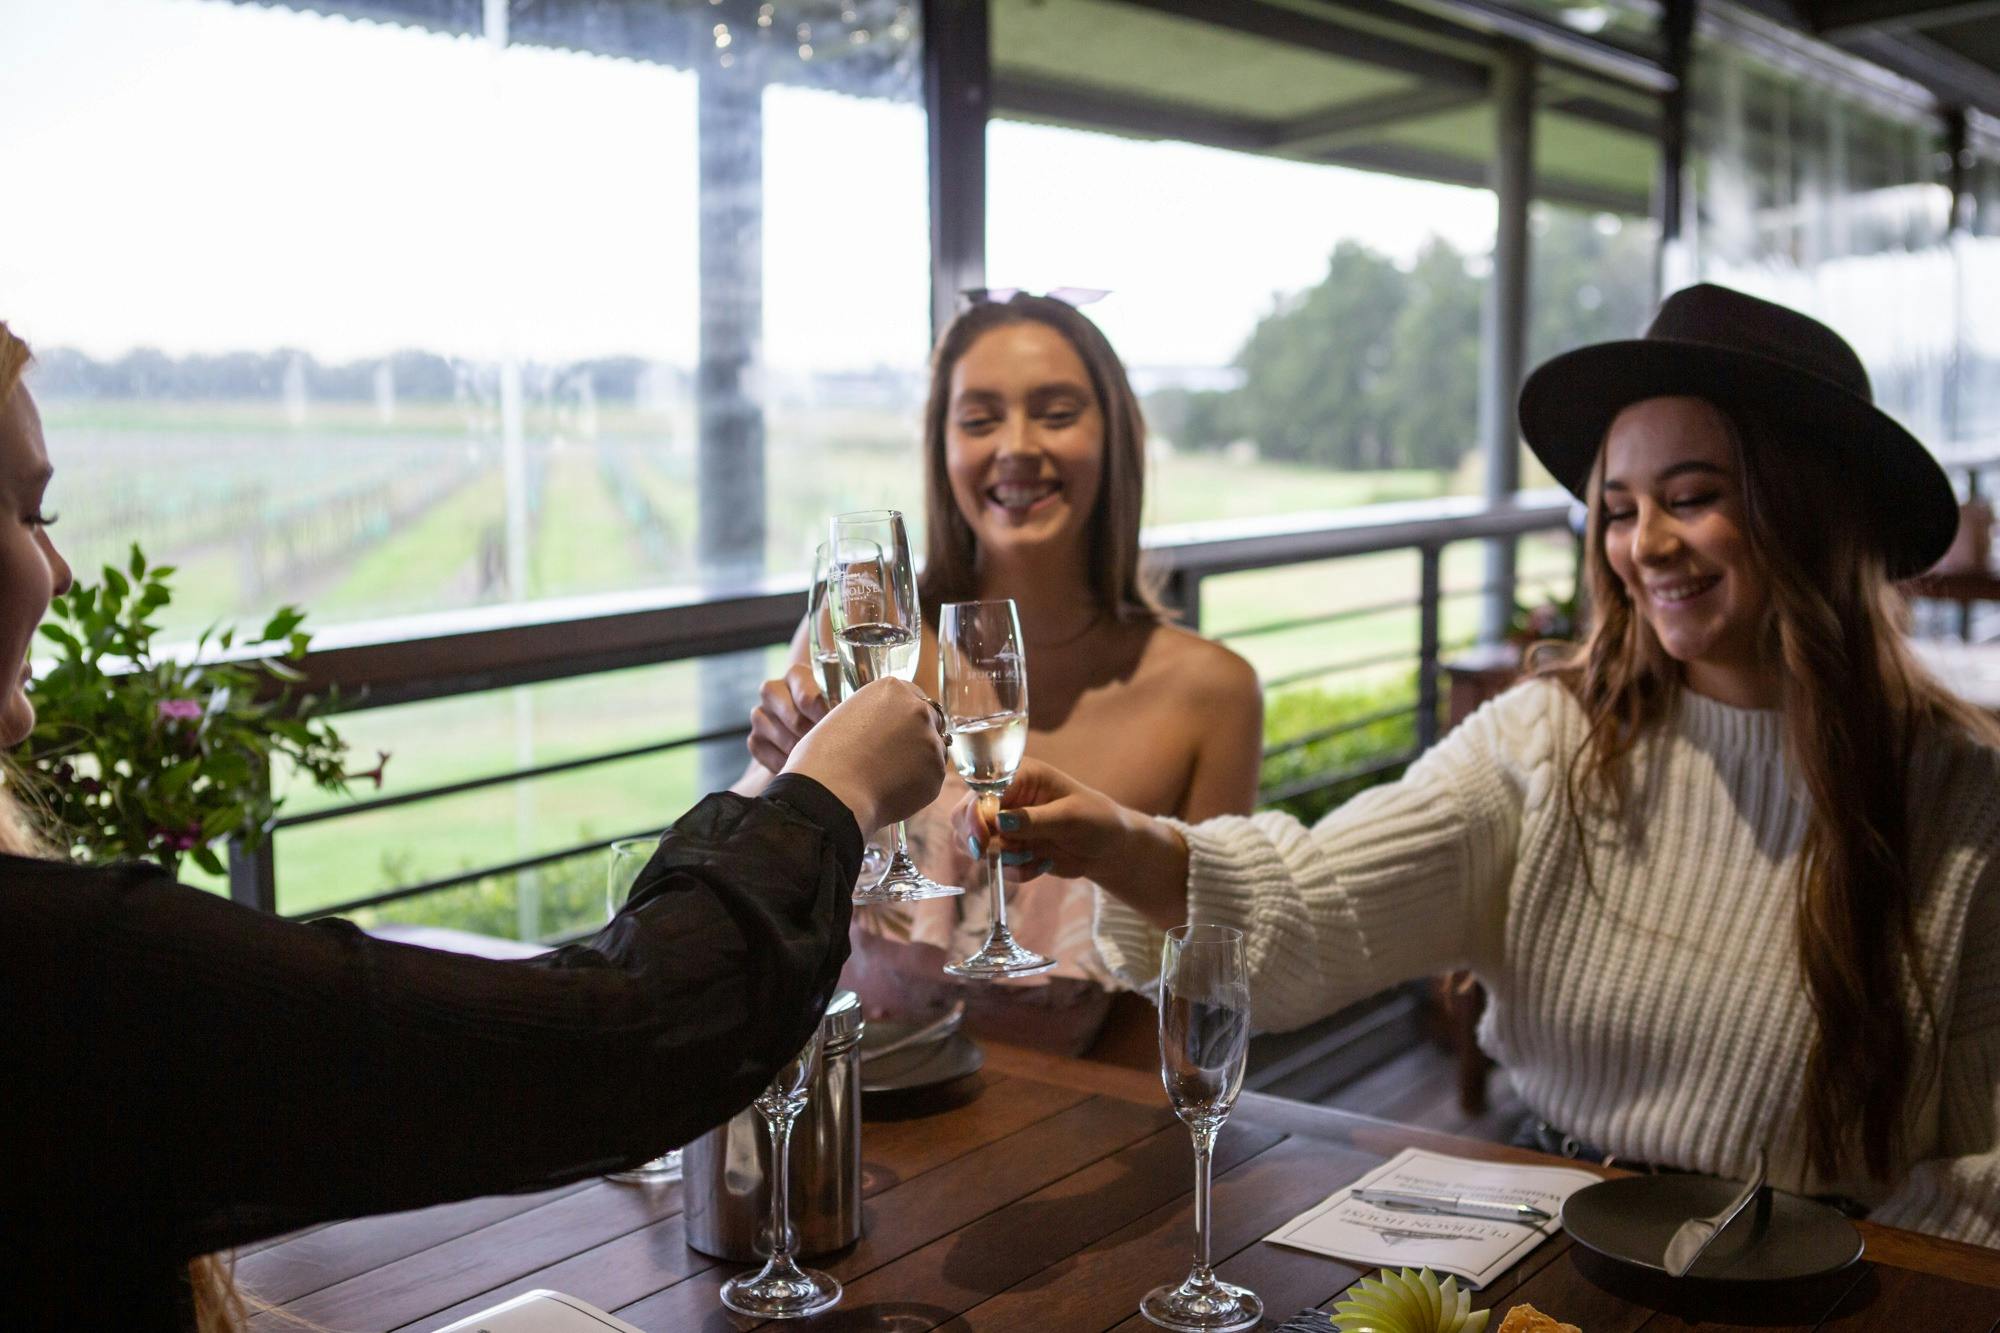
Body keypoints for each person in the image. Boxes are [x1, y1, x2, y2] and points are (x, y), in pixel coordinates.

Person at [967, 284, 2000, 1245]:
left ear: (1812, 511)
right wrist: (1121, 844)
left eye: (1690, 497)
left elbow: (1978, 1178)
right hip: (1563, 1247)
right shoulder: (1548, 740)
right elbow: (1316, 906)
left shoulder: (1961, 802)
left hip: (1832, 1281)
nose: (1644, 545)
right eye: (1618, 509)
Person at [0, 321, 950, 1330]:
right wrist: (828, 793)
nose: (60, 569)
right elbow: (613, 1041)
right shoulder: (63, 961)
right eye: (25, 512)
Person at [735, 292, 1262, 1058]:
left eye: (1056, 413)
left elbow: (1199, 984)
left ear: (1115, 438)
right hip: (850, 1099)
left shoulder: (1212, 693)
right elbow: (758, 893)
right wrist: (782, 771)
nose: (1016, 446)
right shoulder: (861, 632)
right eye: (980, 419)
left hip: (1069, 1123)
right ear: (941, 446)